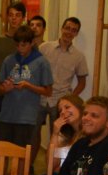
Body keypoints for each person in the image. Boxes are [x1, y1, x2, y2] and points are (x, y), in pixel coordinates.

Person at [36, 17, 88, 166]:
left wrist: (70, 99)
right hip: (39, 98)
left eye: (73, 30)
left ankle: (57, 168)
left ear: (76, 34)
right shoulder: (44, 48)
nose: (69, 32)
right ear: (62, 28)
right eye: (67, 28)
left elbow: (82, 81)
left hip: (60, 103)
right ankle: (30, 167)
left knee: (60, 136)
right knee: (32, 135)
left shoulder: (79, 56)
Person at [0, 25, 53, 149]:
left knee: (21, 152)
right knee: (2, 150)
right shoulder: (9, 60)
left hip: (27, 117)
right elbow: (0, 86)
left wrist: (29, 86)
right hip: (7, 115)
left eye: (24, 45)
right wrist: (5, 89)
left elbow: (48, 91)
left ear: (32, 43)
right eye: (17, 45)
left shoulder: (41, 62)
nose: (20, 49)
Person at [0, 3, 26, 122]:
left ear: (23, 18)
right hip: (0, 94)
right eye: (11, 15)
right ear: (7, 17)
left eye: (17, 15)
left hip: (22, 96)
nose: (14, 18)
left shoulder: (29, 44)